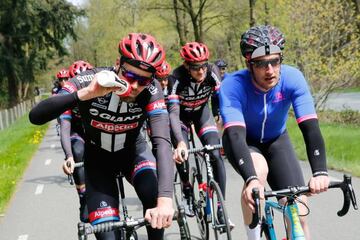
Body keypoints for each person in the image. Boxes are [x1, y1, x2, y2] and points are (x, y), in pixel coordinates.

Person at [29, 33, 175, 240]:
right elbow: (35, 116)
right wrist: (84, 94)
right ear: (117, 64)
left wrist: (166, 199)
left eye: (143, 80)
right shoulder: (88, 80)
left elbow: (162, 143)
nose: (134, 86)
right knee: (107, 235)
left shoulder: (152, 91)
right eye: (130, 76)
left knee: (154, 198)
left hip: (134, 153)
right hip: (99, 162)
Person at [220, 25, 329, 240]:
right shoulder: (233, 85)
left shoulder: (292, 78)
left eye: (275, 61)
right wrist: (251, 179)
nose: (270, 70)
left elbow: (310, 128)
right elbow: (234, 135)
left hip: (277, 140)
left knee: (298, 207)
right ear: (249, 64)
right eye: (261, 64)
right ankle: (253, 236)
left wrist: (320, 172)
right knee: (258, 173)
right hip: (244, 142)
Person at [168, 42, 230, 226]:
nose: (201, 71)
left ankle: (220, 206)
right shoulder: (176, 78)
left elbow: (222, 98)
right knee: (184, 154)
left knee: (215, 154)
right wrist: (180, 142)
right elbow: (172, 112)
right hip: (181, 118)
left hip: (202, 114)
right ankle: (187, 190)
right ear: (187, 66)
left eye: (203, 65)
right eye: (196, 68)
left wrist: (222, 117)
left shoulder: (212, 72)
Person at [58, 60, 93, 222]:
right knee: (78, 151)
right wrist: (69, 156)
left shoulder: (102, 91)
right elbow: (65, 127)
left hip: (96, 132)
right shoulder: (68, 97)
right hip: (76, 131)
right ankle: (83, 196)